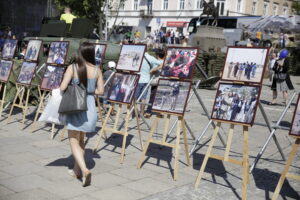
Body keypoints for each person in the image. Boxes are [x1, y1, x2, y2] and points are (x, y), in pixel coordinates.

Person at [60, 42, 104, 187]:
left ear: (80, 53)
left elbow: (63, 87)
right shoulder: (97, 70)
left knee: (73, 139)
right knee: (81, 140)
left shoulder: (73, 68)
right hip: (90, 108)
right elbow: (101, 92)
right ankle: (76, 170)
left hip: (76, 107)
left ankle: (85, 170)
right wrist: (89, 92)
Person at [135, 49, 163, 116]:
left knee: (135, 98)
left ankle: (134, 113)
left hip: (138, 79)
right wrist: (152, 70)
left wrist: (153, 70)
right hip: (146, 80)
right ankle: (141, 114)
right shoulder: (150, 57)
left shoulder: (137, 56)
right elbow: (162, 64)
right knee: (143, 98)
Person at [144, 48, 166, 117]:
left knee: (153, 97)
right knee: (161, 97)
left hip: (156, 81)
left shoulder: (156, 62)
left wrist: (152, 70)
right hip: (163, 81)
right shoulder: (166, 62)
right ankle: (159, 112)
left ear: (157, 55)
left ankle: (149, 111)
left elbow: (153, 71)